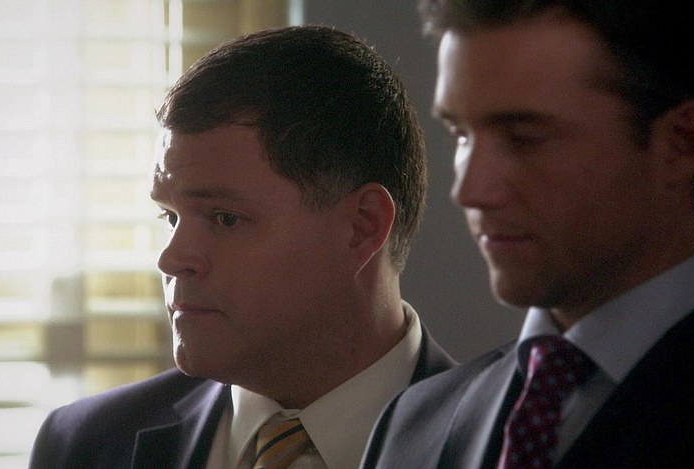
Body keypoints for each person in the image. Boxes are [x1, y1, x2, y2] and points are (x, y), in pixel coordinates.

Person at [29, 25, 455, 469]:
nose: (171, 259)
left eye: (225, 218)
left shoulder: (493, 445)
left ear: (361, 227)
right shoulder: (85, 446)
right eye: (170, 217)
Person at [362, 1, 694, 468]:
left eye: (525, 138)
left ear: (681, 142)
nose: (469, 190)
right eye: (461, 135)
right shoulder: (411, 427)